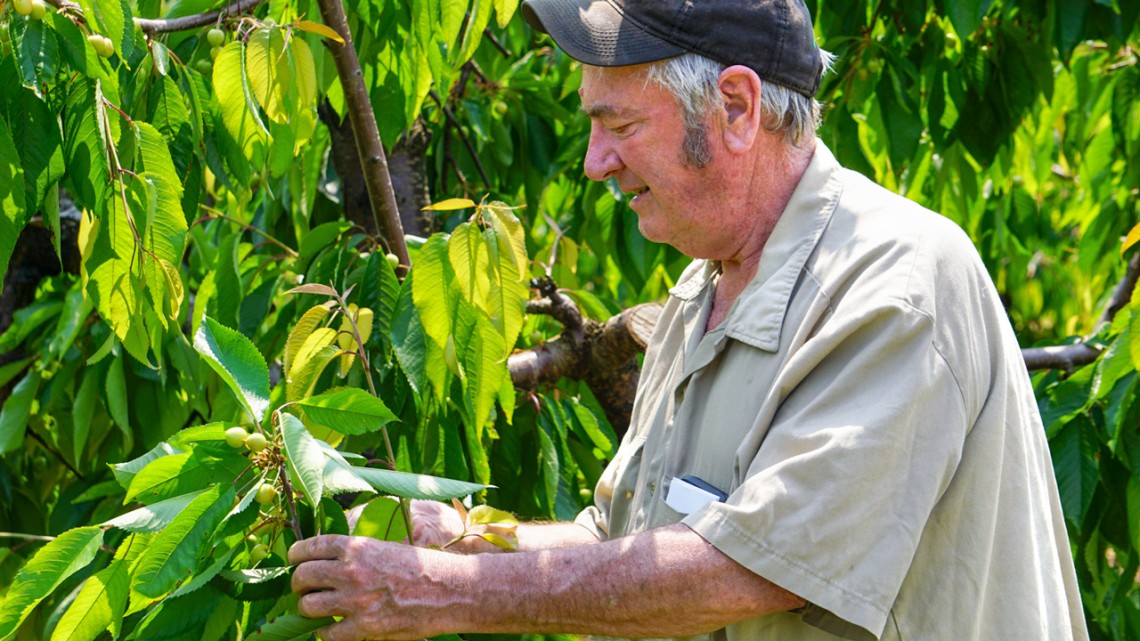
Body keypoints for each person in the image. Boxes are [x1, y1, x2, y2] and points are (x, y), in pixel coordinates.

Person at [288, 1, 1090, 640]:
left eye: (622, 125)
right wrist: (453, 538)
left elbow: (740, 569)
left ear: (737, 107)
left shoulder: (897, 281)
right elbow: (621, 539)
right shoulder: (701, 292)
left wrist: (444, 591)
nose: (596, 161)